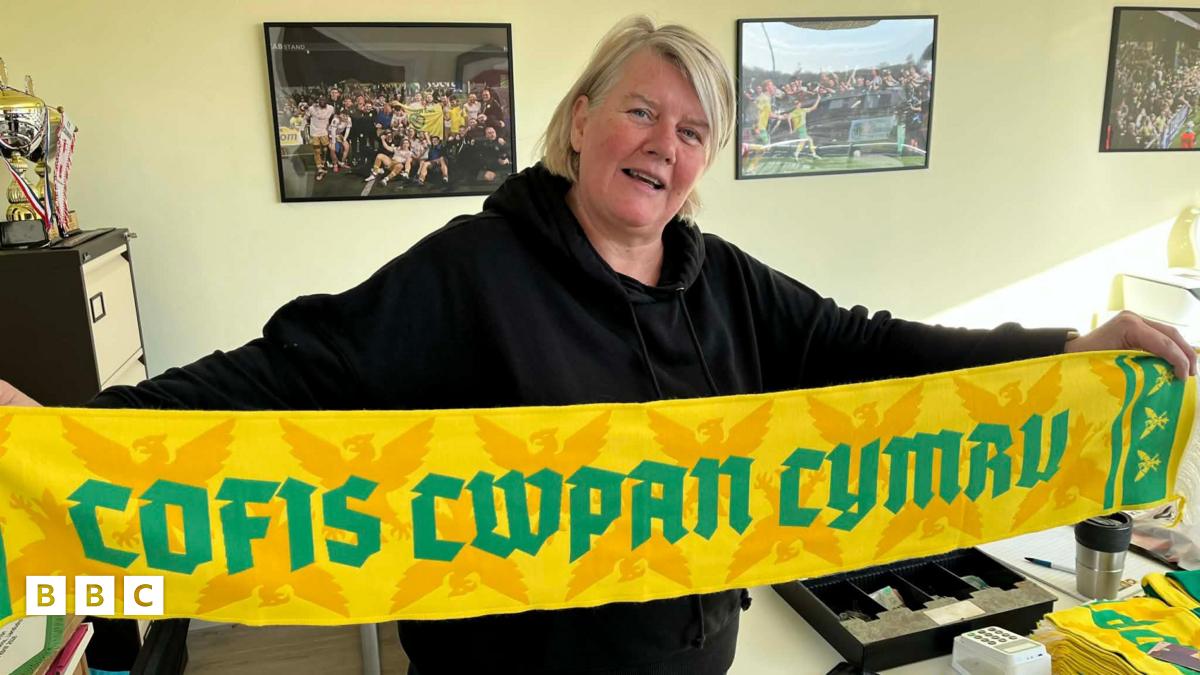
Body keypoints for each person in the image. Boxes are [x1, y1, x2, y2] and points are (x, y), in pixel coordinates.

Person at [0, 15, 1193, 675]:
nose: (663, 144)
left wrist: (1066, 351)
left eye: (692, 131)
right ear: (579, 122)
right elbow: (292, 373)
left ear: (703, 164)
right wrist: (69, 441)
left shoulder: (726, 284)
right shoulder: (472, 272)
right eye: (639, 110)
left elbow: (872, 348)